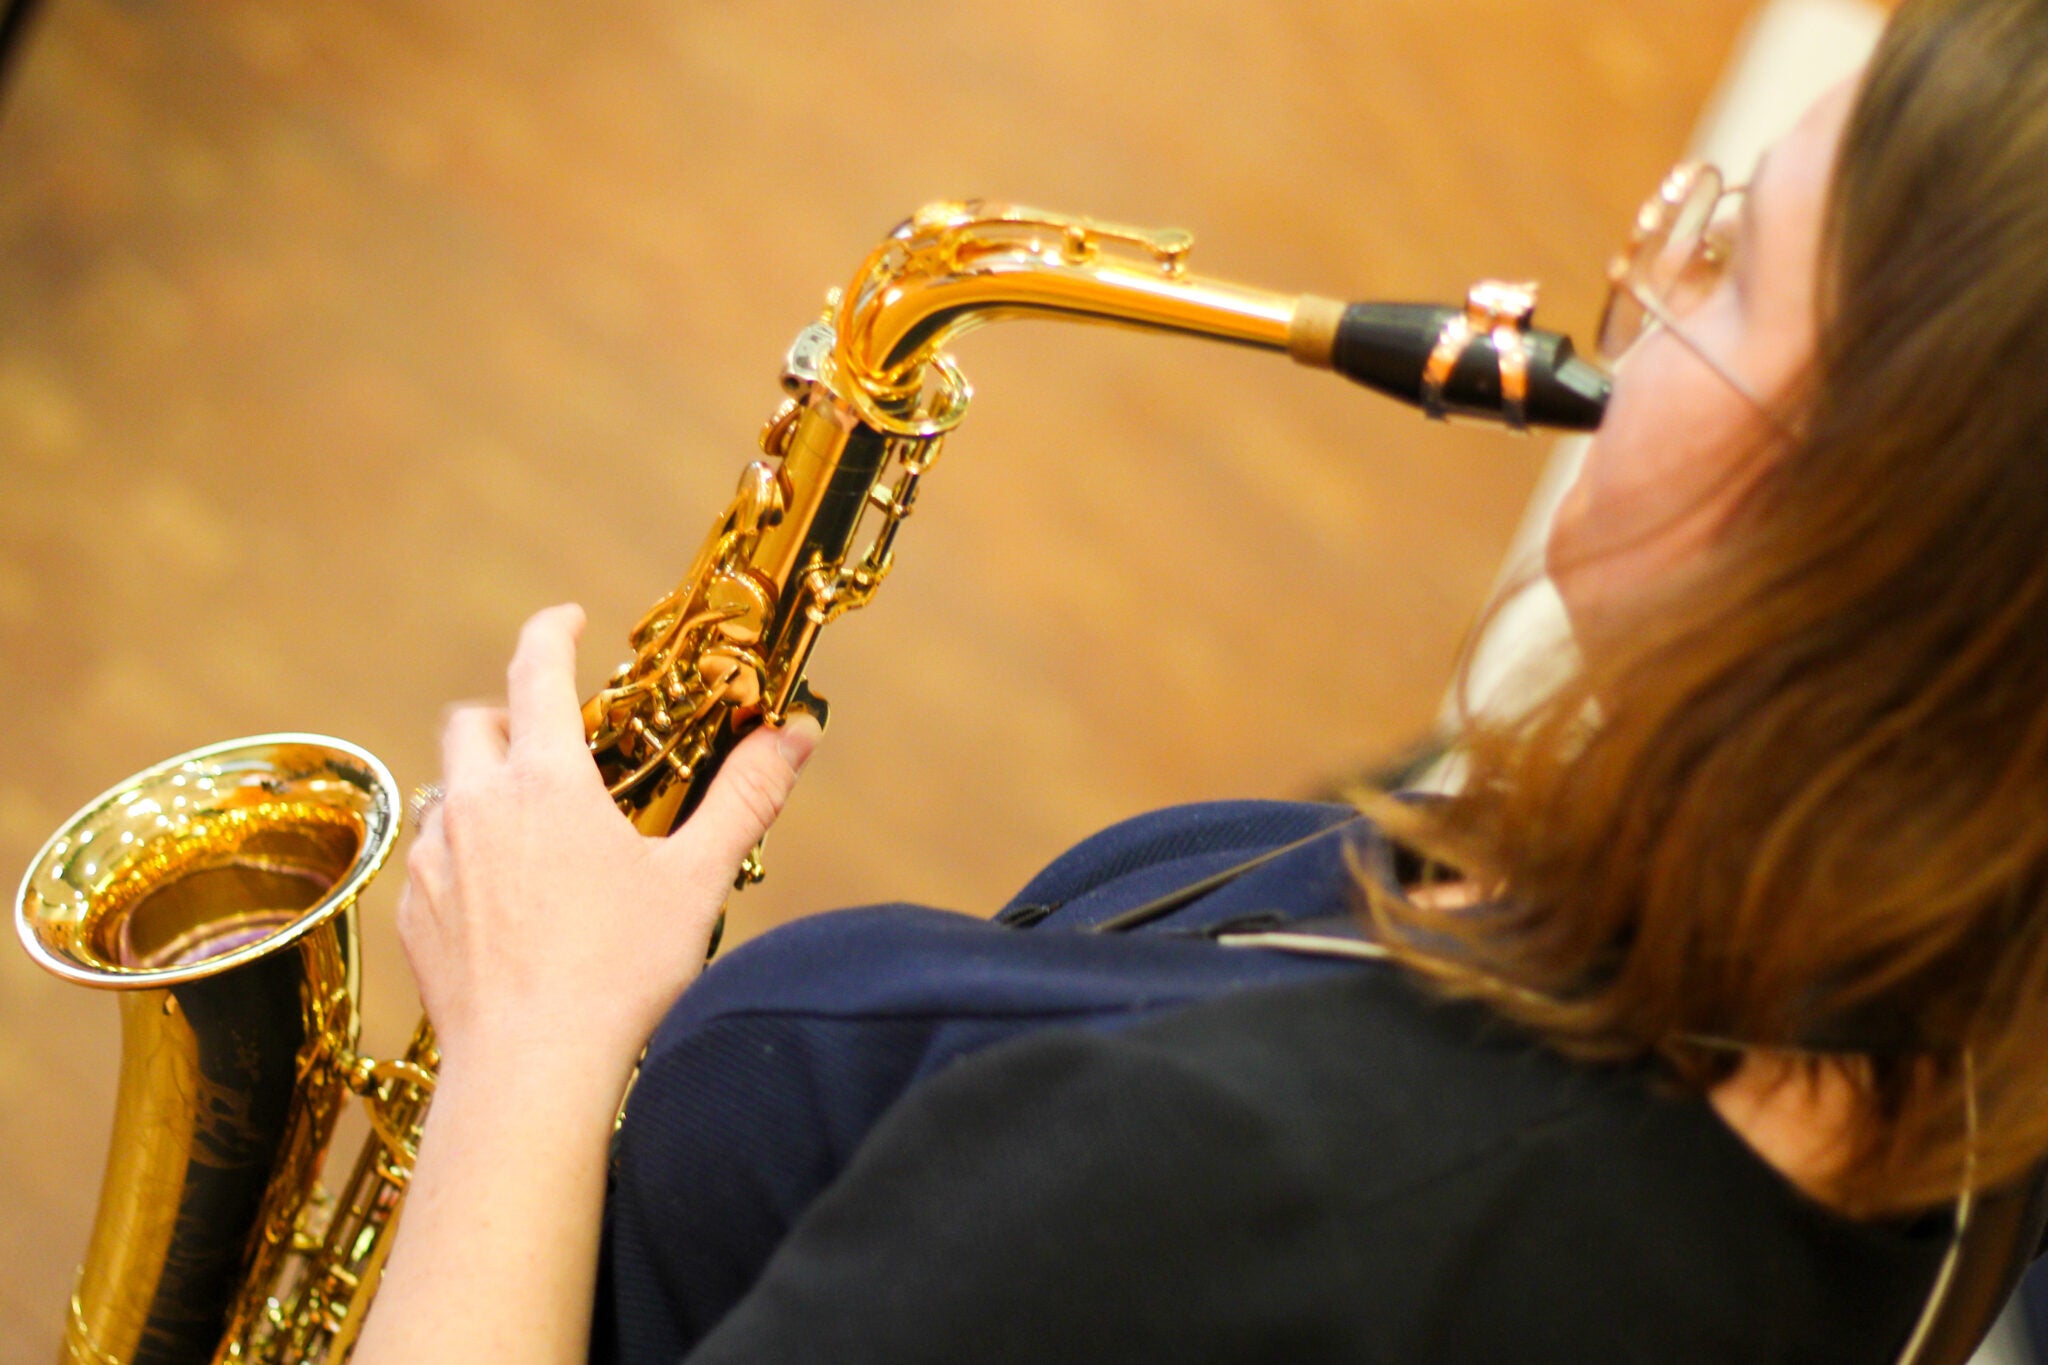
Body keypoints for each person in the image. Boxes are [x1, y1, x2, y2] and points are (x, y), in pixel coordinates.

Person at [353, 0, 2048, 1359]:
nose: (1645, 281)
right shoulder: (1943, 1094)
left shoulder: (1245, 1205)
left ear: (1868, 536)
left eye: (1734, 272)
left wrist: (530, 1037)